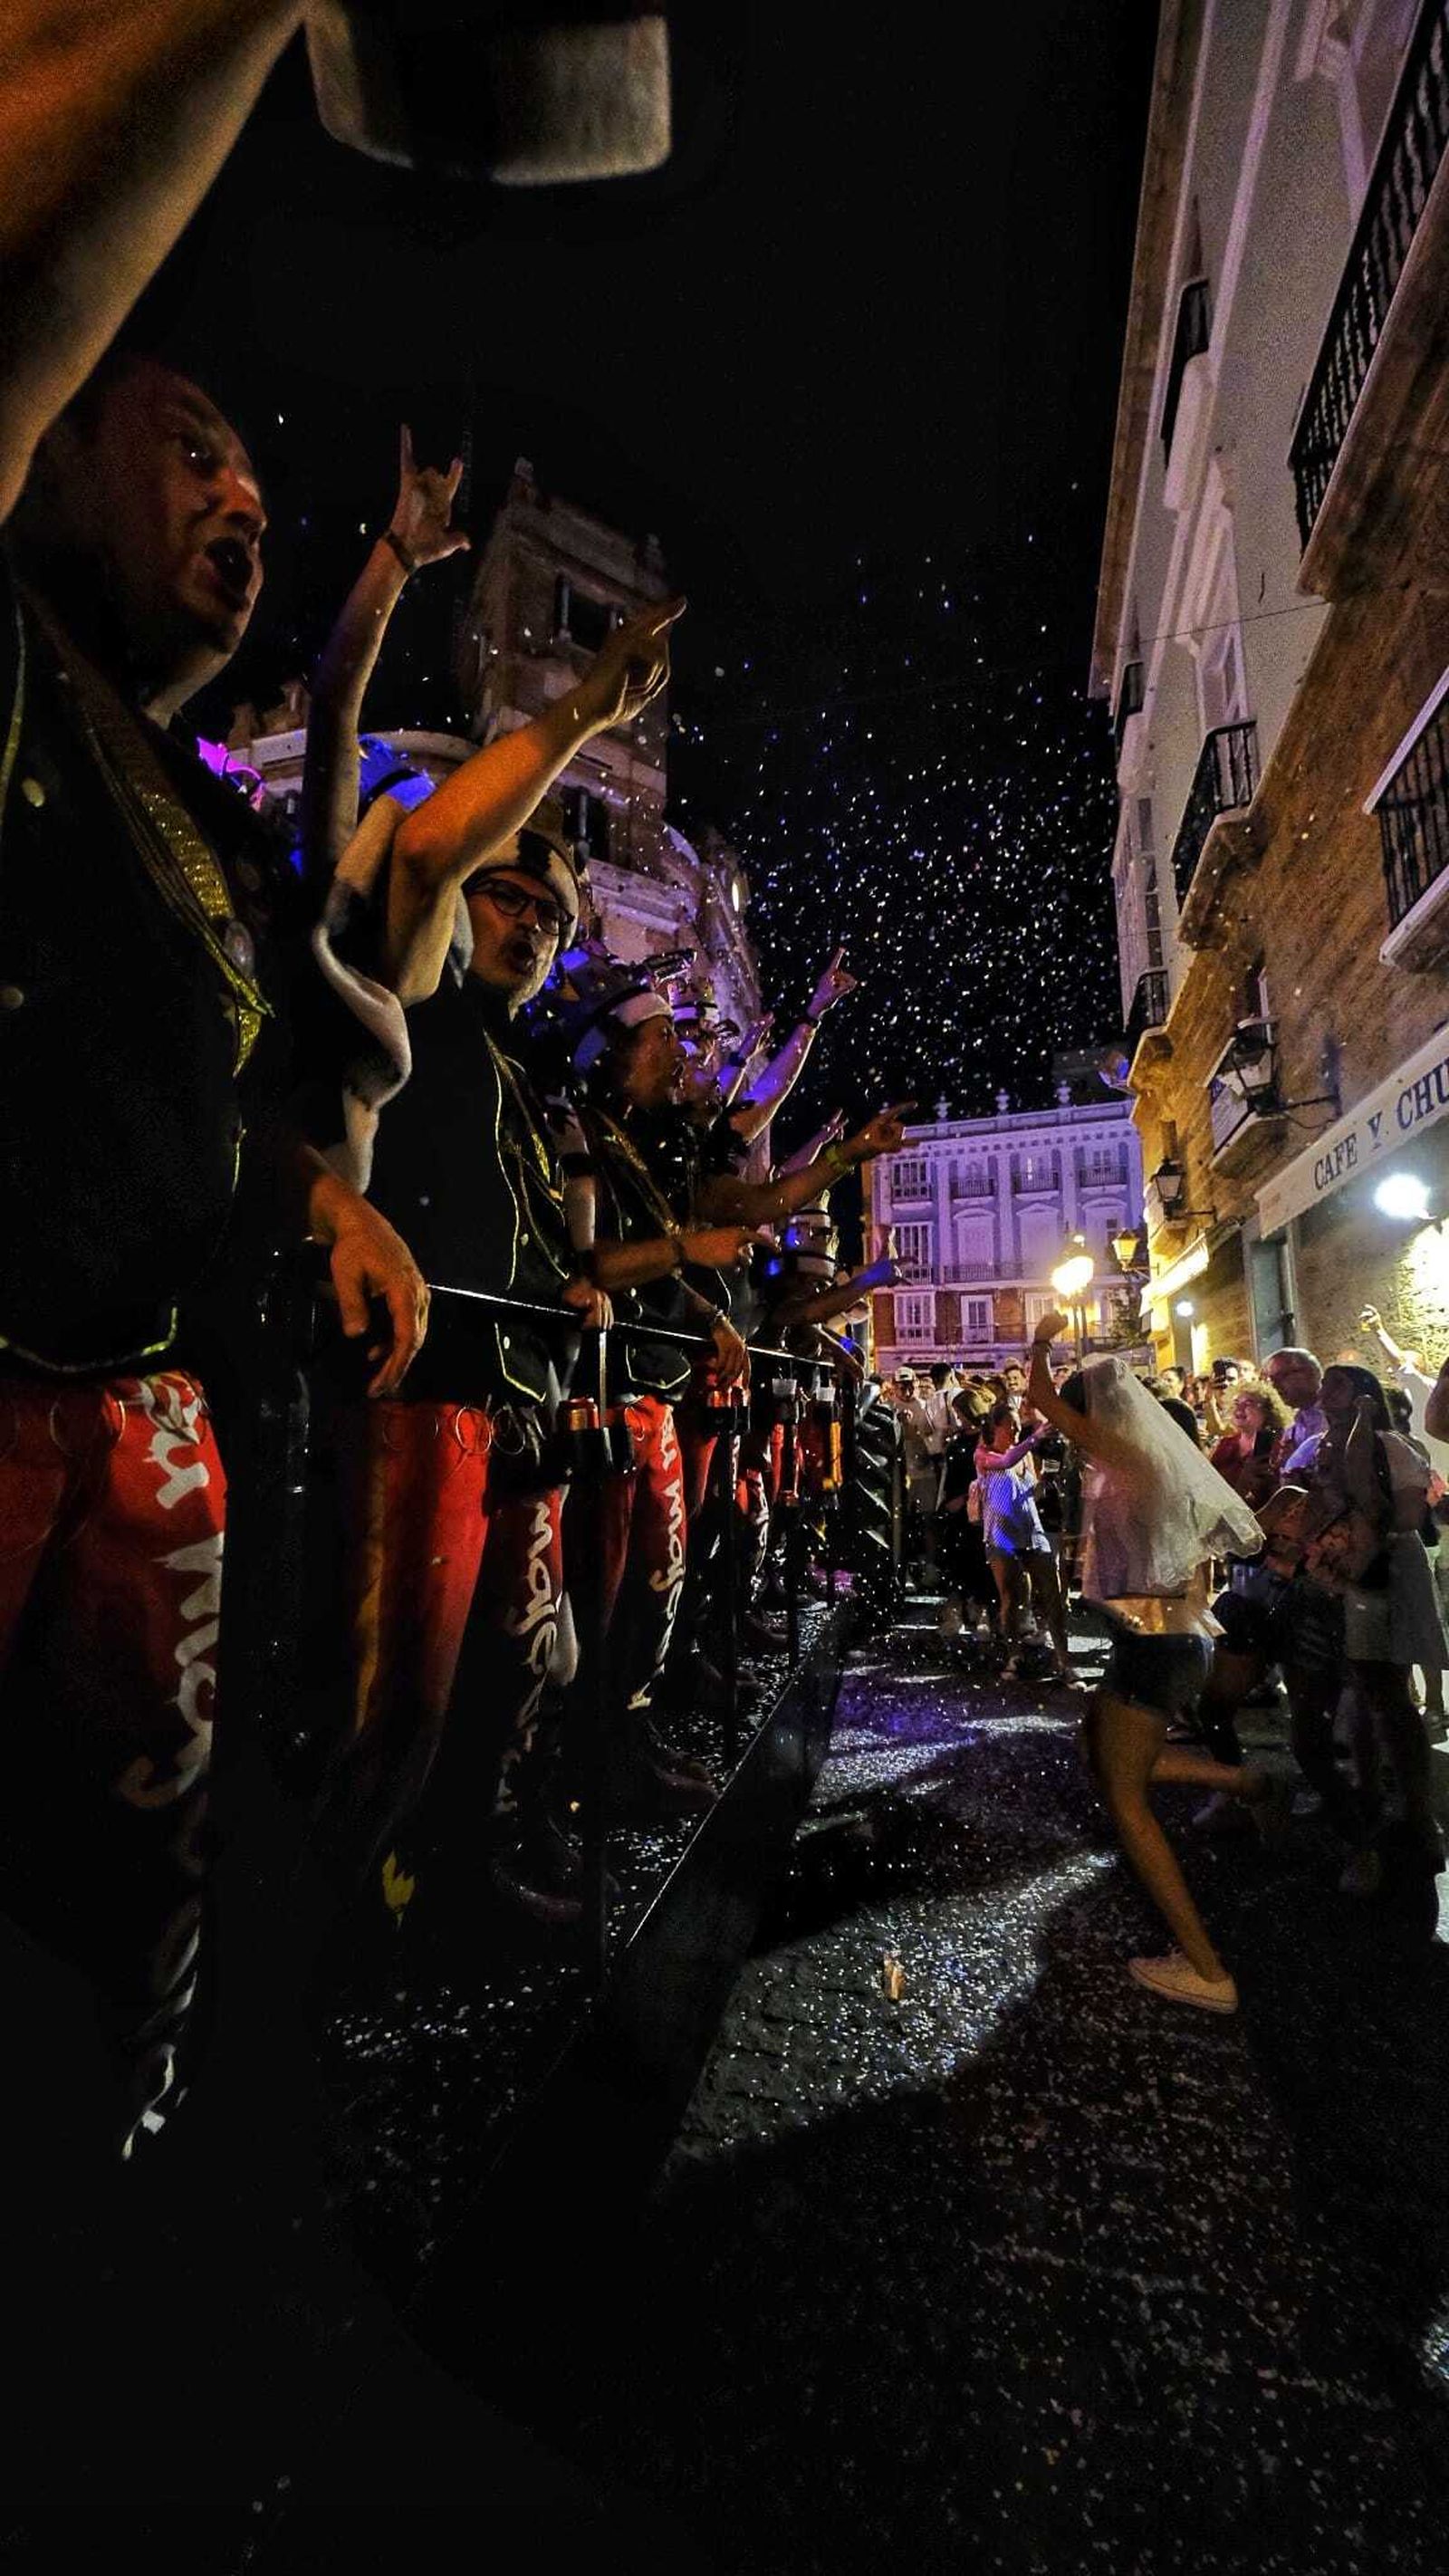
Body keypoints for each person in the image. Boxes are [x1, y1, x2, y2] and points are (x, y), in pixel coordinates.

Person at [1028, 1316, 1283, 2014]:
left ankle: (1205, 1969)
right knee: (1100, 1748)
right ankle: (1245, 1780)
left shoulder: (1132, 1458)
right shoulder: (1150, 1463)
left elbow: (1046, 1405)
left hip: (1158, 1647)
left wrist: (1042, 1345)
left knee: (1125, 1796)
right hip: (1167, 1640)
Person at [1274, 1364, 1445, 1893]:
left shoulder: (1390, 1447)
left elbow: (1408, 1517)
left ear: (1366, 1395)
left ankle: (1415, 1814)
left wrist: (1356, 1521)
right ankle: (1362, 1800)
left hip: (1378, 1579)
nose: (1325, 1393)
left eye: (1338, 1384)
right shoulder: (1316, 1447)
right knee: (1341, 1695)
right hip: (1329, 1581)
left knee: (1385, 1692)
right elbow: (1298, 1506)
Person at [973, 1401, 1072, 1681]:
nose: (1016, 1431)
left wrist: (1047, 1483)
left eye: (1019, 1427)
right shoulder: (983, 1455)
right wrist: (1034, 1438)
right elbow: (1004, 1462)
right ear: (996, 1427)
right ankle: (1013, 1656)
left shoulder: (1024, 1455)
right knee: (1011, 1599)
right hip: (1001, 1535)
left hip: (1031, 1530)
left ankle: (1065, 1661)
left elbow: (1029, 1490)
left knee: (1053, 1597)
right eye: (1011, 1427)